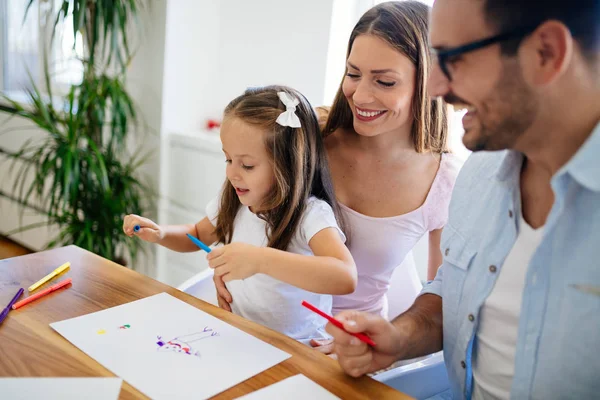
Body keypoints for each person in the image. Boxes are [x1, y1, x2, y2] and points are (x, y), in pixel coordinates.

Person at [325, 0, 600, 398]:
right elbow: (449, 293)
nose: (435, 88)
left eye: (455, 58)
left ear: (546, 53)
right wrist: (399, 336)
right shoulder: (479, 176)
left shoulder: (447, 174)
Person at [215, 1, 461, 344]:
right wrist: (230, 264)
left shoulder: (445, 181)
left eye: (385, 82)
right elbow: (245, 201)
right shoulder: (310, 137)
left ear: (430, 82)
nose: (359, 95)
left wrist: (382, 343)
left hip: (358, 346)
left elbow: (444, 300)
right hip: (273, 333)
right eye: (353, 73)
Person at [123, 85, 357, 343]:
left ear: (287, 165)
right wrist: (161, 233)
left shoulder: (310, 215)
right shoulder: (236, 201)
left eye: (246, 165)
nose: (232, 173)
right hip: (242, 337)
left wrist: (260, 260)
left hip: (298, 347)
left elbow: (345, 276)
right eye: (228, 160)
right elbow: (197, 233)